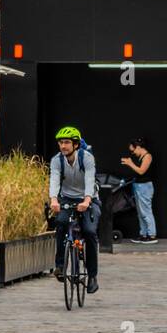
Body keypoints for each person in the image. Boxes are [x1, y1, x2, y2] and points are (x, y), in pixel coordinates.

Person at [49, 125, 100, 293]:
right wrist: (54, 200)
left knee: (90, 232)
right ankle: (60, 265)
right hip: (66, 199)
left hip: (88, 198)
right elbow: (54, 181)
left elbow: (90, 179)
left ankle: (92, 276)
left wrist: (86, 200)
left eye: (66, 142)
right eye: (60, 143)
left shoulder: (87, 158)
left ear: (76, 145)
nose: (63, 146)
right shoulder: (57, 160)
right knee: (61, 222)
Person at [120, 138, 157, 244]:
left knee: (146, 211)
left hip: (145, 187)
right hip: (138, 186)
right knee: (140, 212)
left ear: (139, 147)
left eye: (133, 151)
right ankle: (144, 234)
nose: (132, 153)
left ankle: (152, 234)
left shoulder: (147, 156)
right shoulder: (140, 156)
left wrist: (130, 163)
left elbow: (141, 171)